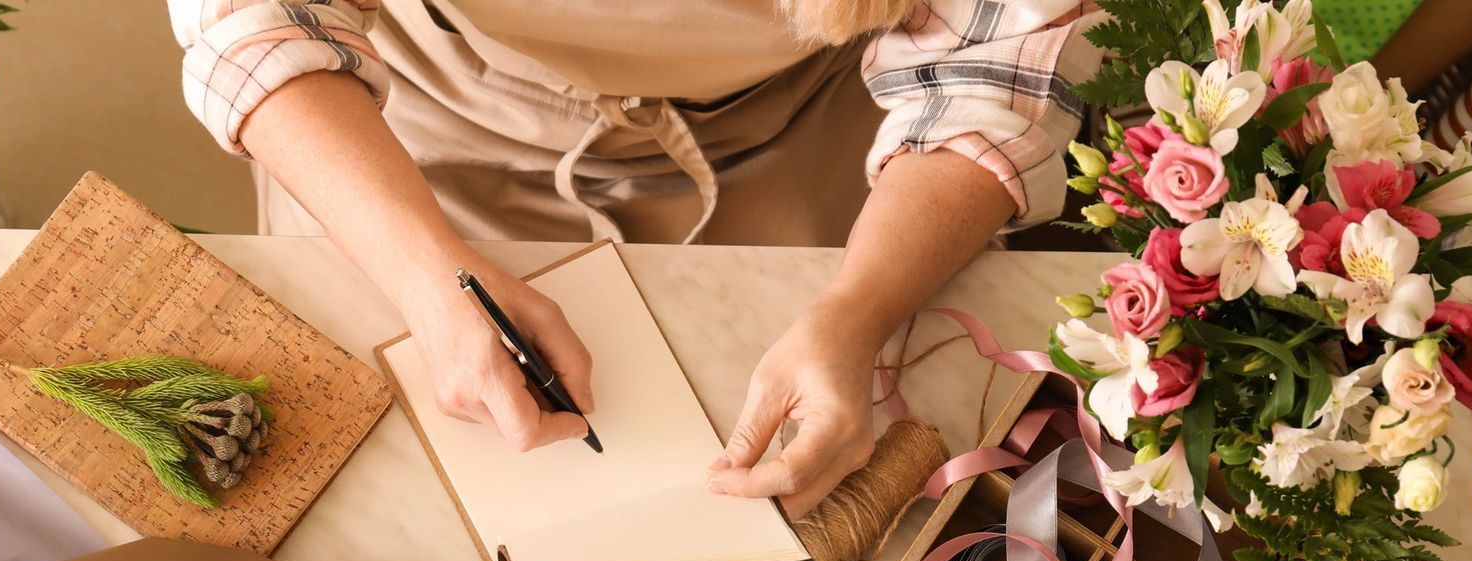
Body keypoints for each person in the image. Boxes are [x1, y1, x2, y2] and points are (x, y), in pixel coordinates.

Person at [168, 0, 1100, 514]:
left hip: (799, 139)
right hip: (405, 139)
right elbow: (251, 15)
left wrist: (853, 309)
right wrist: (425, 275)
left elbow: (995, 70)